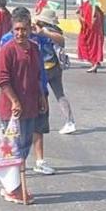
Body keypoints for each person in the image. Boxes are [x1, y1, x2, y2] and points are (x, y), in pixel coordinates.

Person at [0, 8, 48, 204]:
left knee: (24, 147)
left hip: (31, 106)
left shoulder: (34, 48)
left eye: (24, 29)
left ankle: (11, 185)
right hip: (12, 110)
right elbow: (1, 78)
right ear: (12, 29)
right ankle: (13, 189)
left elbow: (36, 76)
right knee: (13, 149)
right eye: (16, 29)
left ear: (30, 29)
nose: (20, 33)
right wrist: (15, 100)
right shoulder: (7, 50)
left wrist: (42, 96)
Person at [33, 8, 76, 136]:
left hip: (45, 68)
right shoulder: (55, 30)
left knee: (39, 94)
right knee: (60, 95)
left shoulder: (46, 31)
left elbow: (61, 40)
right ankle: (70, 121)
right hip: (56, 67)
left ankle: (38, 122)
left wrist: (43, 32)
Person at [77, 0, 105, 73]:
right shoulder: (97, 11)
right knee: (93, 48)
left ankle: (95, 63)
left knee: (91, 48)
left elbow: (89, 23)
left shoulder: (92, 11)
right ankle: (95, 63)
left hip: (92, 34)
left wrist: (79, 17)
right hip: (96, 33)